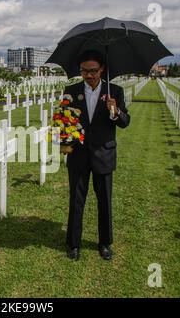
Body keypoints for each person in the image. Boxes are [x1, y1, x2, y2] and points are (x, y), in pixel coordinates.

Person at [63, 50, 130, 261]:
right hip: (79, 155)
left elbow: (125, 122)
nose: (89, 75)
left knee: (105, 201)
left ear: (102, 69)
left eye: (93, 71)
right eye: (84, 71)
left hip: (103, 154)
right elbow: (64, 123)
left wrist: (115, 111)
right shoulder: (71, 90)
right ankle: (73, 243)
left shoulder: (115, 92)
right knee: (76, 200)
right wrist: (67, 148)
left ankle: (105, 243)